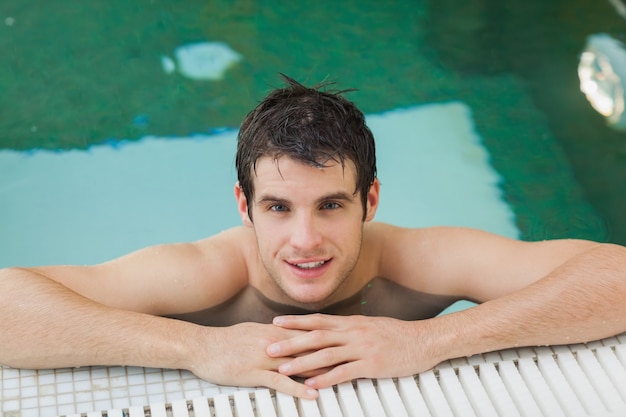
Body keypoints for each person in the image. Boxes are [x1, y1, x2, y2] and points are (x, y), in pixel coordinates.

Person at [1, 75, 625, 401]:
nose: (305, 240)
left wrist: (432, 340)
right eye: (278, 207)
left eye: (331, 205)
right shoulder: (207, 274)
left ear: (370, 201)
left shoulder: (415, 263)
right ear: (244, 206)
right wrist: (193, 348)